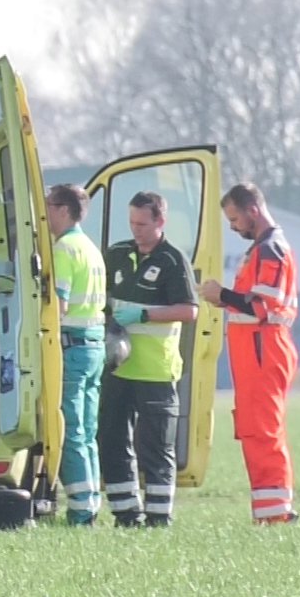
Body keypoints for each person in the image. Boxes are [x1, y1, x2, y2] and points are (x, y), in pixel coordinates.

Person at [202, 183, 300, 525]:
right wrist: (225, 299)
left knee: (262, 430)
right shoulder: (264, 248)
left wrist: (222, 295)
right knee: (255, 428)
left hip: (264, 348)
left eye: (234, 219)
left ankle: (276, 514)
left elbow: (261, 306)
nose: (233, 227)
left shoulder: (269, 250)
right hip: (259, 350)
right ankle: (270, 512)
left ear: (252, 211)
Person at [99, 191, 198, 528]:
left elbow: (189, 311)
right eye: (132, 223)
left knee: (156, 447)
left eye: (142, 224)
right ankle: (126, 514)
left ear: (160, 221)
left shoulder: (172, 260)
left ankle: (158, 517)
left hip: (156, 370)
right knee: (113, 441)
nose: (136, 229)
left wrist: (144, 314)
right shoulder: (117, 254)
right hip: (118, 367)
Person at [46, 184, 108, 526]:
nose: (45, 213)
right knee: (87, 431)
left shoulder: (64, 249)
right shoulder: (90, 247)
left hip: (72, 348)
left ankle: (81, 510)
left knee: (70, 429)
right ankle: (91, 502)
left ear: (64, 210)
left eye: (49, 206)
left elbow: (59, 305)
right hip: (94, 346)